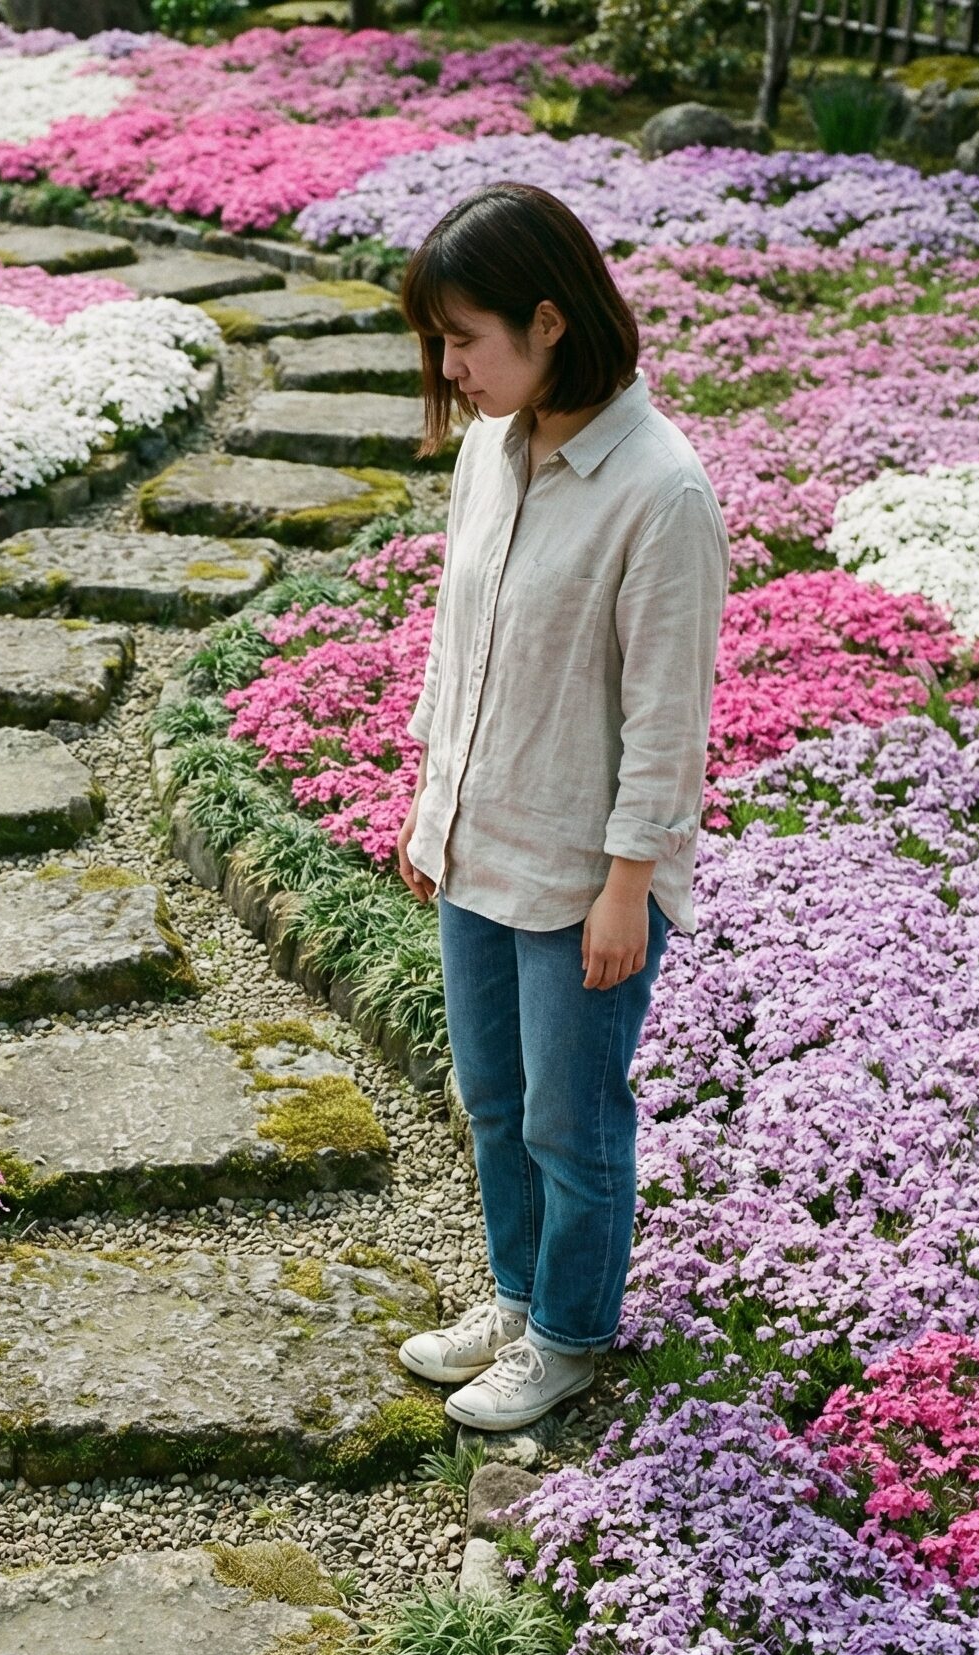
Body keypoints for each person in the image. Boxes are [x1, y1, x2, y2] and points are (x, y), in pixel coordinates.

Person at [391, 182, 728, 1434]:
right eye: (439, 339)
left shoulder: (660, 492)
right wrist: (429, 804)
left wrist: (628, 885)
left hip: (584, 875)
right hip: (481, 838)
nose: (448, 366)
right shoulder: (494, 445)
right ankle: (521, 1295)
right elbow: (457, 637)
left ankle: (569, 1337)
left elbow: (666, 719)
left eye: (464, 337)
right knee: (490, 1098)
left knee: (568, 1121)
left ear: (546, 320)